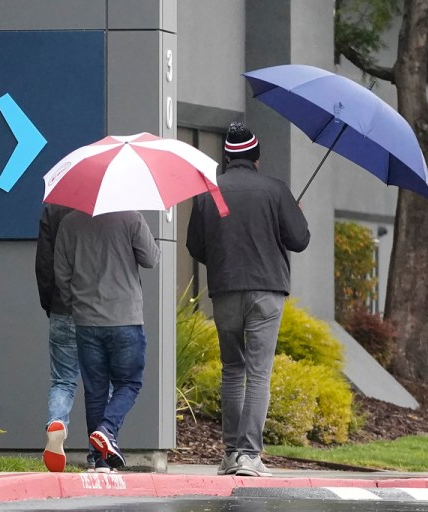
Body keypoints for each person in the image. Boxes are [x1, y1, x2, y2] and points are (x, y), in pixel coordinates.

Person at [186, 122, 310, 477]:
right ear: (256, 157)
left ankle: (229, 455)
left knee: (232, 372)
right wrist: (295, 212)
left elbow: (196, 247)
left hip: (224, 291)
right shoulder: (275, 190)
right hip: (267, 292)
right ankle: (249, 456)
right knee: (258, 374)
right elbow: (299, 240)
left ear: (226, 157)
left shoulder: (209, 192)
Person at [54, 210, 160, 473]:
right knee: (129, 383)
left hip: (86, 320)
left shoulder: (69, 222)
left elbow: (61, 274)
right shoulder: (131, 218)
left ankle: (99, 460)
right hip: (125, 317)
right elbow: (151, 259)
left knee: (96, 391)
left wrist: (75, 304)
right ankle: (107, 430)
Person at [35, 203, 91, 473]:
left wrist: (50, 303)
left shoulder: (53, 207)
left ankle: (57, 422)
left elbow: (44, 263)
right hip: (98, 310)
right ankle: (99, 452)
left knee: (62, 380)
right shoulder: (106, 205)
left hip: (62, 308)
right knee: (100, 383)